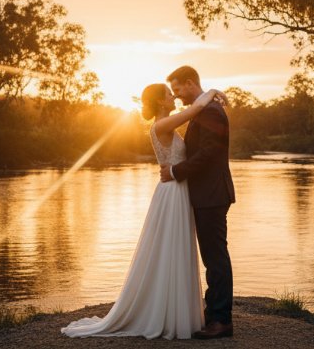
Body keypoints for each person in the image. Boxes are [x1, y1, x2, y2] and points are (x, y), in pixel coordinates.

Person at [61, 81, 227, 340]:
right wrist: (213, 92)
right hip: (172, 193)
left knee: (176, 249)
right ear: (161, 102)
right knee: (171, 249)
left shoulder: (165, 123)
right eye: (170, 94)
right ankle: (166, 312)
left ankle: (177, 309)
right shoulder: (162, 125)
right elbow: (195, 110)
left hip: (177, 189)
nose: (174, 97)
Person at [160, 65, 235, 339]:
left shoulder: (212, 111)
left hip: (212, 195)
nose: (176, 95)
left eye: (178, 88)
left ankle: (221, 320)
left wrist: (175, 172)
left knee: (215, 258)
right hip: (204, 194)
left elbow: (208, 154)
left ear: (190, 83)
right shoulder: (202, 110)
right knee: (211, 256)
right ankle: (214, 313)